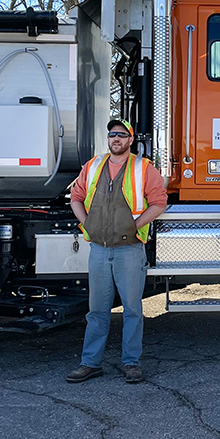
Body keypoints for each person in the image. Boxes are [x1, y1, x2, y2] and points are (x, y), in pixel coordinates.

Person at [66, 119, 167, 384]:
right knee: (97, 310)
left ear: (131, 140)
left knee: (132, 310)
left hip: (130, 250)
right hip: (99, 249)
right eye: (112, 134)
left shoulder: (143, 168)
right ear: (108, 138)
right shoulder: (93, 165)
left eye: (122, 135)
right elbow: (75, 197)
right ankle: (90, 363)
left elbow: (159, 203)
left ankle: (131, 363)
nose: (116, 139)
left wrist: (134, 226)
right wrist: (86, 222)